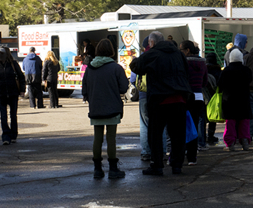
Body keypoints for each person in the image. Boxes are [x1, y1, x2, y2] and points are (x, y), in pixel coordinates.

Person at [130, 31, 192, 176]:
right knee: (178, 135)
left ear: (151, 43)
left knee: (156, 134)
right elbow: (186, 71)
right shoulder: (179, 54)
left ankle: (157, 165)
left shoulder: (152, 54)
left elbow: (136, 66)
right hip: (179, 99)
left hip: (160, 99)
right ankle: (177, 166)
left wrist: (135, 59)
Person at [82, 38, 128, 179]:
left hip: (96, 107)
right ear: (111, 51)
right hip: (113, 106)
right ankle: (113, 169)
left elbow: (84, 90)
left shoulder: (90, 68)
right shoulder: (116, 68)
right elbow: (124, 87)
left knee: (98, 138)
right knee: (111, 138)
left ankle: (97, 169)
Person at [0, 47, 25, 145]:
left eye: (2, 54)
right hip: (1, 93)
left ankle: (13, 135)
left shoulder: (13, 64)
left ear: (6, 54)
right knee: (3, 116)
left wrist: (22, 90)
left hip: (13, 93)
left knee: (13, 115)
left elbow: (21, 76)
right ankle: (6, 136)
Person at [218, 49, 253, 151]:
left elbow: (220, 85)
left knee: (230, 123)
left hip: (229, 101)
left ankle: (230, 143)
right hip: (244, 100)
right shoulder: (247, 70)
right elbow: (250, 81)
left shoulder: (226, 71)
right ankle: (245, 141)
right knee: (244, 122)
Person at [180, 40, 208, 164]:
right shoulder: (202, 63)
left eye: (181, 50)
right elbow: (205, 81)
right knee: (194, 127)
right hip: (198, 97)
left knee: (181, 127)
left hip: (186, 97)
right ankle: (192, 157)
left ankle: (181, 154)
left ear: (187, 50)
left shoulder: (183, 63)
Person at [205, 52, 222, 144]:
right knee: (213, 117)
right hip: (214, 95)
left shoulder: (204, 68)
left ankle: (202, 136)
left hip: (204, 95)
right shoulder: (217, 68)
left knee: (203, 117)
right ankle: (211, 135)